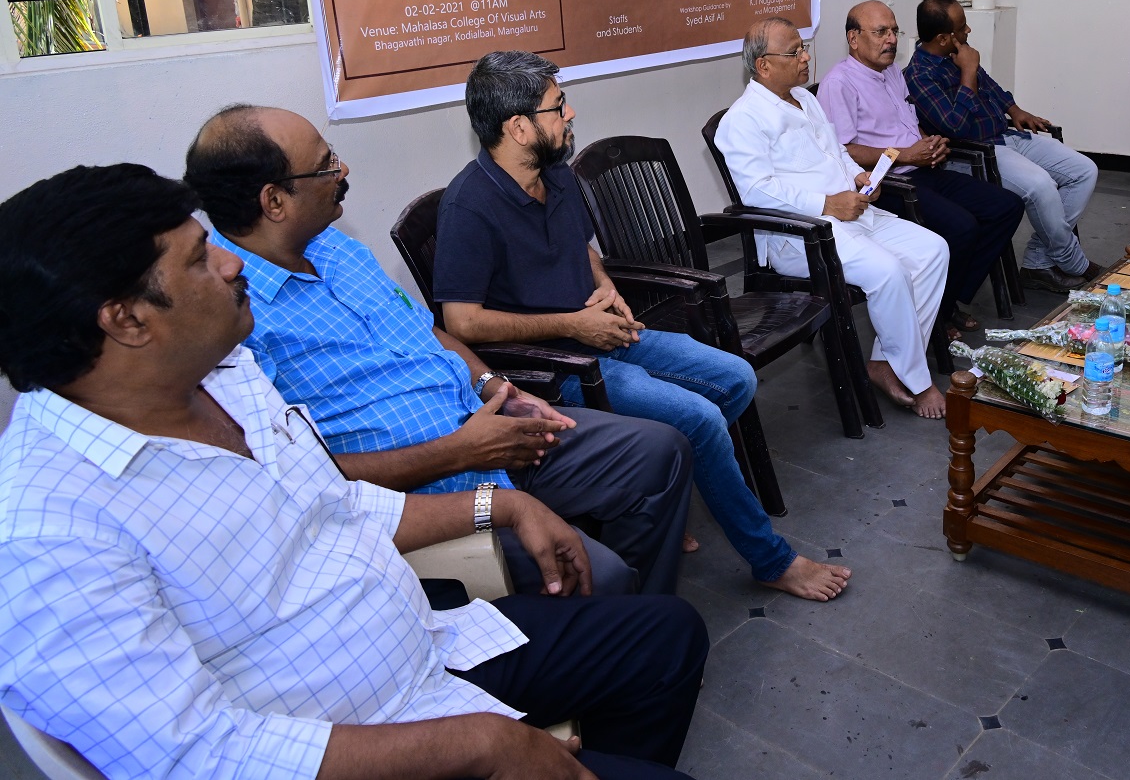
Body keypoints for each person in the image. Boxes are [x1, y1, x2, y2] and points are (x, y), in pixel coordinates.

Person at [0, 163, 706, 780]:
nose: (229, 263)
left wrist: (501, 504)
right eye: (196, 259)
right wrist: (486, 744)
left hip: (422, 649)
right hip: (346, 739)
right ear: (126, 320)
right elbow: (197, 757)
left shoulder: (227, 374)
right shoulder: (44, 530)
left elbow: (334, 504)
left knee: (667, 636)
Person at [185, 105, 693, 599]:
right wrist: (461, 451)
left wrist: (495, 387)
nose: (343, 169)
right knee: (601, 577)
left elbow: (423, 329)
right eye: (325, 164)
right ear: (274, 201)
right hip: (430, 496)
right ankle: (619, 625)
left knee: (661, 452)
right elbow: (302, 479)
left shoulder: (335, 248)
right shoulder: (234, 320)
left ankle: (639, 625)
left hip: (489, 428)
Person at [436, 51, 851, 602]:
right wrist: (574, 325)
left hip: (602, 332)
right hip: (558, 366)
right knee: (700, 419)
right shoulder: (469, 206)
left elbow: (582, 248)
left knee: (736, 378)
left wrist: (605, 285)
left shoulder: (553, 173)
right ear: (518, 127)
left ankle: (660, 487)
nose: (570, 113)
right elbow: (461, 321)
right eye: (558, 106)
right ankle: (770, 559)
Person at [716, 19, 951, 420]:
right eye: (794, 52)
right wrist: (827, 204)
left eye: (803, 47)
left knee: (933, 250)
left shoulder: (804, 98)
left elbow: (835, 150)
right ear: (763, 65)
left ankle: (884, 362)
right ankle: (916, 379)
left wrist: (859, 177)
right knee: (889, 271)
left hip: (851, 213)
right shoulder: (743, 120)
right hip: (801, 235)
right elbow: (757, 192)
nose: (805, 57)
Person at [815, 0, 1023, 337]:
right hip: (885, 184)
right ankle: (939, 312)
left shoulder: (892, 72)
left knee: (1006, 206)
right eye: (880, 32)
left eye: (894, 31)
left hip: (921, 168)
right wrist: (906, 155)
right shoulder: (839, 83)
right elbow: (843, 151)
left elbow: (907, 123)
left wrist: (930, 143)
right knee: (962, 227)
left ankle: (942, 301)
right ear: (854, 38)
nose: (891, 40)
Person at [905, 0, 1101, 293]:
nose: (968, 30)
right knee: (1040, 186)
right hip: (975, 153)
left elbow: (989, 85)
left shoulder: (957, 52)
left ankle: (1038, 262)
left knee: (1083, 171)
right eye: (962, 26)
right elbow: (955, 127)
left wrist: (1015, 110)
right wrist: (968, 72)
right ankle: (1075, 263)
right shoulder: (919, 76)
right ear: (943, 38)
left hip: (1005, 135)